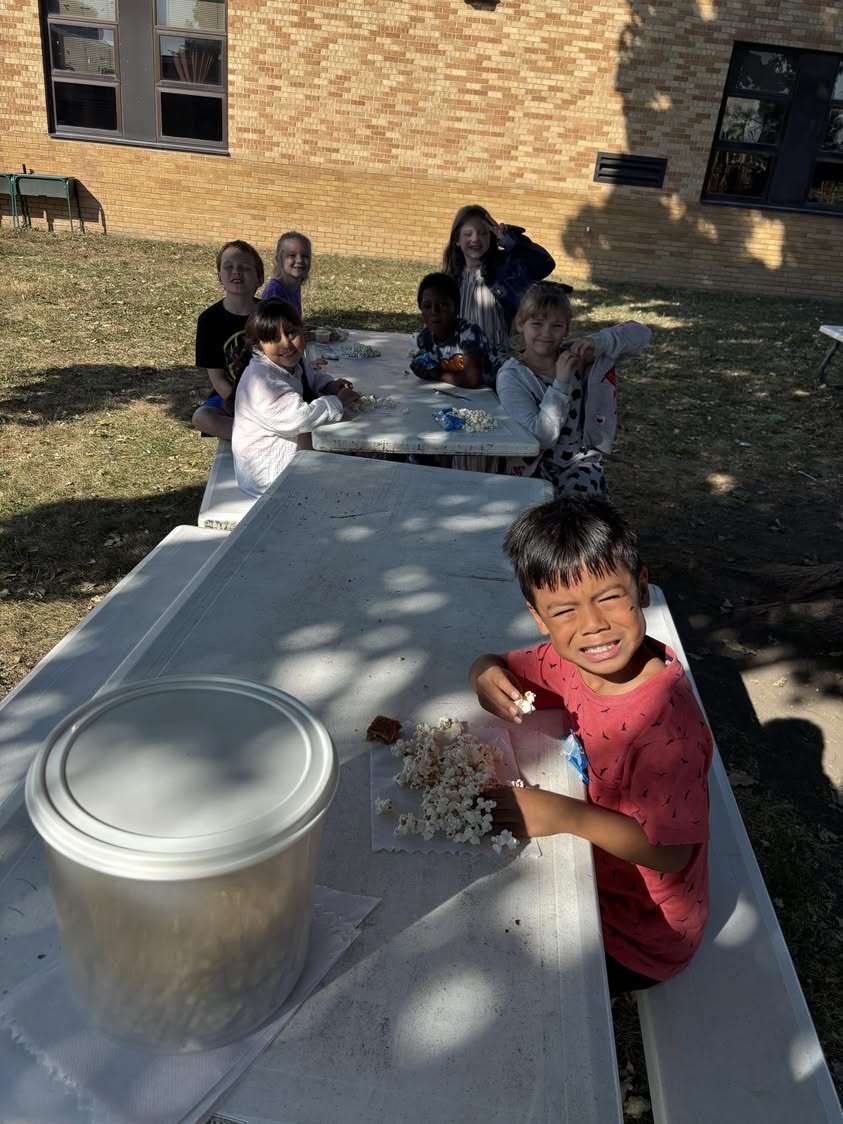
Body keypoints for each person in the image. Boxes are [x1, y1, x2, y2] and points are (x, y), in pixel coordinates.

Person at [469, 496, 712, 996]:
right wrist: (484, 673)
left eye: (609, 597)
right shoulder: (574, 662)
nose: (593, 625)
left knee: (498, 969)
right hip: (592, 879)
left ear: (642, 589)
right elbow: (500, 663)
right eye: (564, 610)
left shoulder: (666, 728)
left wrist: (562, 816)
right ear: (539, 618)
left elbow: (672, 854)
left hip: (639, 938)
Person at [497, 282, 651, 496]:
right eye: (537, 324)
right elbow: (541, 438)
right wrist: (560, 384)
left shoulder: (577, 357)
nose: (546, 333)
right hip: (533, 470)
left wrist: (599, 343)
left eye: (556, 326)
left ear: (567, 330)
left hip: (581, 465)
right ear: (520, 324)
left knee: (585, 504)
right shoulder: (512, 377)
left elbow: (641, 335)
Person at [232, 299, 359, 497]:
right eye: (273, 338)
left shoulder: (291, 362)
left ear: (302, 331)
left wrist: (328, 386)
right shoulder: (261, 381)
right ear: (259, 344)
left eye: (291, 332)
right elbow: (298, 418)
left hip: (290, 464)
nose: (286, 343)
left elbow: (309, 378)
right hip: (268, 477)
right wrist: (338, 401)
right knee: (350, 487)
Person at [442, 205, 560, 348]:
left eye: (483, 233)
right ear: (457, 240)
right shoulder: (449, 280)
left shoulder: (506, 269)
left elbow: (545, 263)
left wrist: (509, 239)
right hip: (462, 358)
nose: (475, 238)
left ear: (492, 238)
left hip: (498, 357)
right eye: (468, 234)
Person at [192, 240, 264, 441]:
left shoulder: (271, 314)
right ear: (219, 277)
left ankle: (255, 434)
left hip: (271, 393)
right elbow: (218, 379)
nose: (236, 272)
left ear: (260, 278)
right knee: (202, 417)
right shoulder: (209, 320)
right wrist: (239, 404)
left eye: (244, 268)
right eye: (229, 267)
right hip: (230, 397)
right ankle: (261, 438)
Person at [409, 273, 499, 389]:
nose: (434, 311)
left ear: (456, 309)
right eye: (427, 306)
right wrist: (422, 368)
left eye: (443, 305)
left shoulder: (469, 333)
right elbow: (432, 365)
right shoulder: (424, 339)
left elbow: (472, 380)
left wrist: (436, 374)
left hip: (503, 384)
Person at [261, 231, 312, 314]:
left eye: (305, 256)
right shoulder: (274, 291)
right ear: (279, 259)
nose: (299, 260)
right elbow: (273, 326)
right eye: (292, 255)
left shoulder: (295, 287)